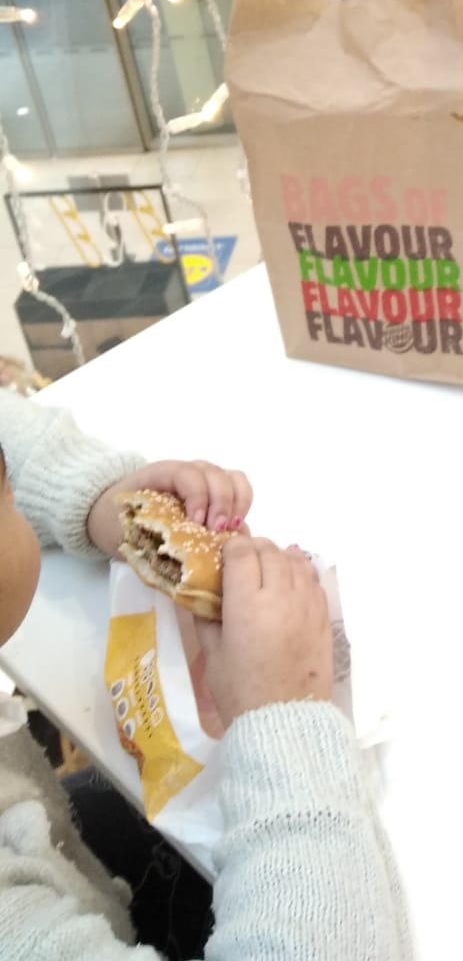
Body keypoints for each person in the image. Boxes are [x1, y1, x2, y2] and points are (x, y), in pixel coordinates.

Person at [0, 391, 412, 957]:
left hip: (69, 860)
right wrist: (287, 718)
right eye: (5, 487)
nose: (15, 489)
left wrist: (98, 498)